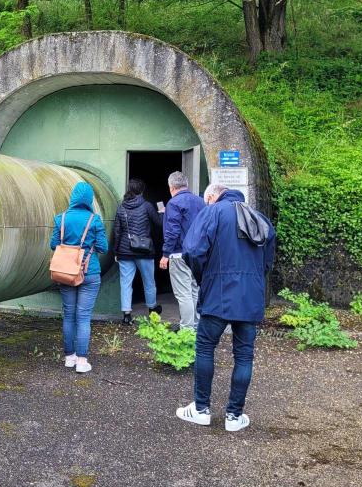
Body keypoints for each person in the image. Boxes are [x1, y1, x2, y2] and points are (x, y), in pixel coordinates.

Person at [175, 185, 276, 432]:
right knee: (243, 355)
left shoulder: (213, 213)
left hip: (218, 295)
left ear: (212, 196)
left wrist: (205, 277)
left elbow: (192, 250)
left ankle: (201, 410)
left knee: (205, 348)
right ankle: (234, 416)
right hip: (250, 298)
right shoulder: (259, 218)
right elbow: (268, 262)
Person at [50, 181, 109, 374]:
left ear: (73, 197)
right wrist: (87, 247)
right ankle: (82, 362)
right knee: (83, 317)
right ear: (89, 199)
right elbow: (103, 247)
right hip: (89, 273)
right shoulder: (95, 220)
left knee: (69, 315)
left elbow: (54, 245)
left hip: (66, 272)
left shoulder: (61, 218)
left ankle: (69, 357)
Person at [112, 178, 162, 326]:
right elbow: (159, 224)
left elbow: (117, 231)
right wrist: (162, 213)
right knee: (149, 282)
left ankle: (126, 315)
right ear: (141, 191)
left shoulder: (121, 207)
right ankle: (152, 309)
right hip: (144, 251)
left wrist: (116, 251)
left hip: (125, 251)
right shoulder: (147, 206)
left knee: (126, 283)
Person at [159, 171, 205, 330]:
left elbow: (172, 232)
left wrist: (165, 254)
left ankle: (186, 329)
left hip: (179, 254)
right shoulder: (201, 202)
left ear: (171, 186)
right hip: (197, 254)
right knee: (194, 291)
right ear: (186, 184)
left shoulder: (174, 203)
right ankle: (195, 326)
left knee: (183, 294)